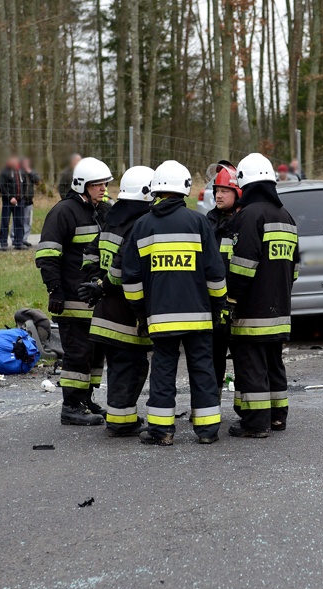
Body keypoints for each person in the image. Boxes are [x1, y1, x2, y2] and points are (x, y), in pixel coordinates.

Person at [121, 160, 226, 446]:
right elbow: (215, 274)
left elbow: (130, 280)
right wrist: (217, 308)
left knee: (163, 371)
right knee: (203, 369)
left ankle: (161, 431)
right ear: (185, 189)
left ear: (155, 190)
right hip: (199, 317)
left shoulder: (142, 226)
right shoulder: (199, 222)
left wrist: (141, 313)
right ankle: (207, 431)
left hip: (160, 317)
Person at [77, 166, 155, 437]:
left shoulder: (113, 218)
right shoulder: (138, 223)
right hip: (125, 313)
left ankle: (120, 416)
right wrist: (104, 283)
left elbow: (91, 252)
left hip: (105, 310)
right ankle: (122, 421)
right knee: (132, 367)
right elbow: (124, 269)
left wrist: (95, 279)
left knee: (121, 366)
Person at [36, 157, 113, 426]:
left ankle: (85, 400)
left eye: (105, 184)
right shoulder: (64, 212)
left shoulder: (103, 210)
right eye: (97, 185)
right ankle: (70, 406)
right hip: (70, 298)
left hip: (95, 300)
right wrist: (55, 290)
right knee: (77, 354)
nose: (103, 188)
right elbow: (47, 254)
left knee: (94, 355)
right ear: (82, 185)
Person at [227, 152, 299, 438]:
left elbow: (243, 265)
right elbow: (294, 269)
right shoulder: (286, 216)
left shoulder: (249, 216)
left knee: (252, 364)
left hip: (252, 310)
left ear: (245, 185)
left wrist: (230, 298)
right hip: (280, 309)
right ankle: (278, 417)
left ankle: (256, 423)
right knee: (274, 363)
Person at [205, 161, 240, 399]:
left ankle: (247, 408)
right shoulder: (208, 221)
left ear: (237, 193)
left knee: (243, 358)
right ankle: (210, 403)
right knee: (212, 358)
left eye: (224, 190)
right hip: (214, 303)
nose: (218, 194)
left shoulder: (243, 222)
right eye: (217, 190)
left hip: (237, 303)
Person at [0, 155, 25, 250]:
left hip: (19, 201)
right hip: (8, 201)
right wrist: (10, 197)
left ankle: (19, 242)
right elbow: (1, 186)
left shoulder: (20, 171)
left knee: (19, 222)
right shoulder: (4, 171)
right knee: (5, 222)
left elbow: (24, 184)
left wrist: (22, 196)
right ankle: (3, 243)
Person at [20, 157, 41, 247]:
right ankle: (15, 238)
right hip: (20, 199)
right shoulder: (18, 172)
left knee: (28, 221)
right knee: (18, 220)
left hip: (29, 200)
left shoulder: (31, 172)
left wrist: (30, 172)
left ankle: (25, 238)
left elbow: (38, 181)